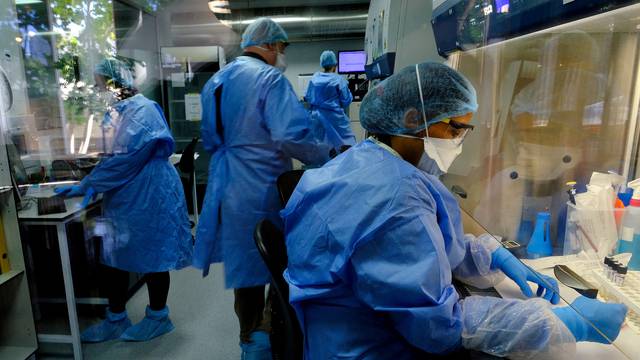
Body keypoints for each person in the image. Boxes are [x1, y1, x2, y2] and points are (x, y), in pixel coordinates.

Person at [282, 62, 628, 359]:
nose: (459, 141)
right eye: (455, 128)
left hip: (338, 333)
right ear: (412, 118)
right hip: (369, 348)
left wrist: (493, 256)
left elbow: (419, 248)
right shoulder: (395, 198)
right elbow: (437, 328)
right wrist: (560, 322)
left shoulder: (365, 162)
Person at [193, 18, 331, 359]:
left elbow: (210, 137)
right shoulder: (269, 78)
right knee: (271, 255)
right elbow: (290, 135)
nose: (281, 56)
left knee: (244, 260)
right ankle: (268, 333)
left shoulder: (216, 81)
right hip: (261, 181)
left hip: (227, 181)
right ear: (270, 46)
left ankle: (249, 335)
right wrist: (326, 155)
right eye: (282, 49)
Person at [56, 58, 193, 343]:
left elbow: (123, 160)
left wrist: (88, 183)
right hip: (127, 194)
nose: (98, 89)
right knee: (113, 256)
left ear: (116, 82)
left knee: (155, 255)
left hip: (150, 193)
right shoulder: (120, 110)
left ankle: (159, 318)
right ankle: (116, 318)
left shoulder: (141, 110)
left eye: (100, 83)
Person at [305, 50, 355, 152]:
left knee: (321, 149)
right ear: (335, 65)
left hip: (317, 118)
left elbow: (308, 97)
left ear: (322, 63)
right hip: (336, 119)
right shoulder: (339, 80)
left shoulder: (314, 78)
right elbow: (346, 101)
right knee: (347, 147)